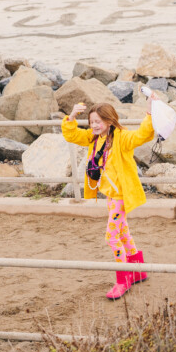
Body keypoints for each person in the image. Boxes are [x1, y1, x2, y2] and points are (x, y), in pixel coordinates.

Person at [62, 101, 155, 299]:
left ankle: (124, 279)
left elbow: (142, 135)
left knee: (111, 237)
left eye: (99, 121)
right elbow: (72, 134)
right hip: (111, 195)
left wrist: (149, 113)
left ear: (110, 120)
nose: (94, 125)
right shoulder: (94, 138)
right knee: (122, 232)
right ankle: (138, 270)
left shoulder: (122, 138)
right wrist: (71, 117)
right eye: (91, 121)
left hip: (121, 195)